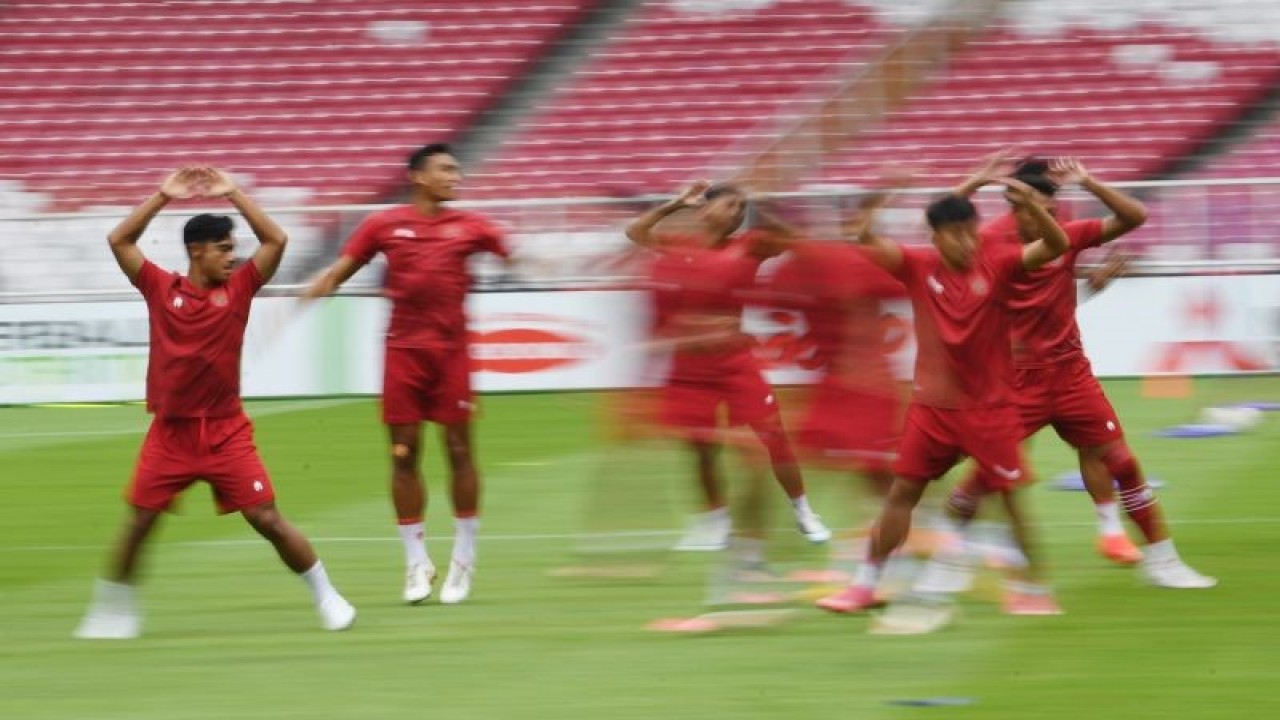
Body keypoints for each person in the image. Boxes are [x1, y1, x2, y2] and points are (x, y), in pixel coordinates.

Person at [75, 167, 356, 639]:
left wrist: (235, 193)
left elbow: (277, 241)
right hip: (171, 433)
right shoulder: (162, 289)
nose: (232, 257)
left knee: (266, 518)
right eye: (224, 248)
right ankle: (113, 610)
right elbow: (119, 240)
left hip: (226, 430)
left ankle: (328, 597)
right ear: (196, 251)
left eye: (233, 249)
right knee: (140, 522)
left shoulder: (240, 290)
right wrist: (163, 195)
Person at [952, 155, 1214, 587]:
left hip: (1071, 373)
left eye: (1055, 210)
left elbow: (1135, 216)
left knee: (1123, 463)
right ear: (1017, 207)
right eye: (1044, 210)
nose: (1054, 217)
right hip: (1015, 380)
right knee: (986, 472)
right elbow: (942, 228)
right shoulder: (990, 242)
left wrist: (1089, 181)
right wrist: (974, 180)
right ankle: (948, 558)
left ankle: (1163, 562)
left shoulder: (1064, 233)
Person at [817, 180, 1070, 616]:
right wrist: (876, 201)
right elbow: (863, 238)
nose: (967, 241)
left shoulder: (1001, 264)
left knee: (1010, 499)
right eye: (955, 233)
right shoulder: (917, 265)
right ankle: (864, 585)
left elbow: (1057, 243)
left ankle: (1033, 587)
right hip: (932, 410)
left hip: (990, 411)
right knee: (902, 494)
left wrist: (1031, 204)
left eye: (971, 231)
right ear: (935, 237)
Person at [303, 144, 509, 606]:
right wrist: (319, 287)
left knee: (459, 449)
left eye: (457, 169)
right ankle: (416, 561)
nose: (455, 176)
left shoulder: (471, 225)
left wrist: (539, 265)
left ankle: (464, 556)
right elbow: (344, 266)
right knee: (403, 454)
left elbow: (512, 251)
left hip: (452, 354)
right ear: (418, 177)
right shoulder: (383, 224)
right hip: (402, 353)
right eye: (445, 169)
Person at [626, 181, 830, 552]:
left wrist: (768, 211)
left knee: (773, 435)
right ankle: (713, 522)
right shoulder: (679, 244)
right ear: (706, 209)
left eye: (740, 209)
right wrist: (674, 204)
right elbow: (635, 231)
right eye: (730, 206)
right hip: (689, 368)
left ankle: (804, 511)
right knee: (701, 447)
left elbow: (797, 243)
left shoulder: (750, 244)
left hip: (735, 361)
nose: (736, 213)